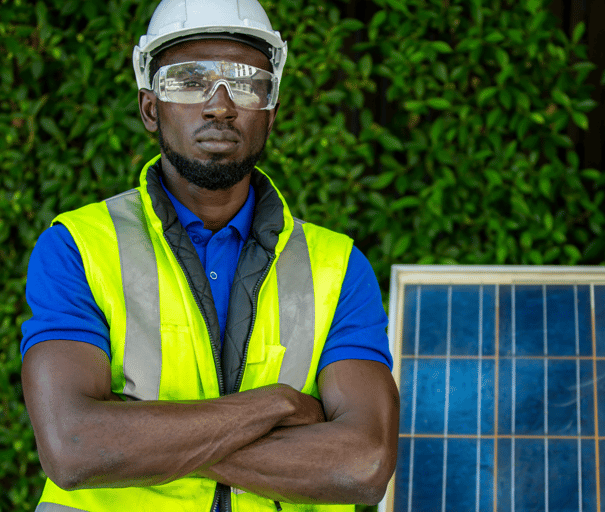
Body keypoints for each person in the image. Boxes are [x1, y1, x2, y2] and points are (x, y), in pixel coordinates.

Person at [20, 0, 399, 510]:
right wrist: (278, 405)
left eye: (246, 82)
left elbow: (363, 465)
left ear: (270, 111)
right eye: (189, 79)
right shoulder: (79, 247)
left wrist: (135, 435)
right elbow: (73, 448)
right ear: (150, 109)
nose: (220, 104)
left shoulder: (338, 267)